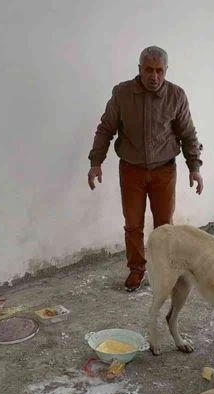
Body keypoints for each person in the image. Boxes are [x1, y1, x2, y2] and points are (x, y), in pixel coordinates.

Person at [88, 46, 205, 292]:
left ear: (166, 70)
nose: (154, 76)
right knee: (133, 224)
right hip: (131, 170)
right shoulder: (122, 94)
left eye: (159, 71)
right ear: (139, 69)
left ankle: (165, 270)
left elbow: (188, 133)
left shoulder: (176, 96)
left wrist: (194, 167)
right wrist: (96, 162)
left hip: (164, 171)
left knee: (164, 226)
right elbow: (105, 129)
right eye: (149, 70)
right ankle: (136, 269)